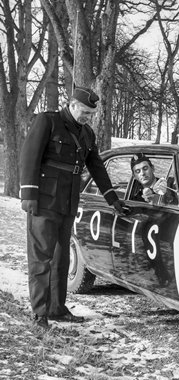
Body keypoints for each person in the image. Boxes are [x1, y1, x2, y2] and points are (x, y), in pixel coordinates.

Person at [19, 86, 126, 330]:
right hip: (44, 202)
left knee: (61, 259)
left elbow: (97, 166)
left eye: (91, 114)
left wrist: (112, 198)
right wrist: (28, 195)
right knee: (41, 259)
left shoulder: (87, 134)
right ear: (72, 104)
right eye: (85, 112)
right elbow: (29, 156)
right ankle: (39, 313)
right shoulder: (48, 121)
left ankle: (57, 308)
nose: (88, 117)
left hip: (68, 203)